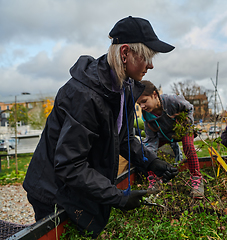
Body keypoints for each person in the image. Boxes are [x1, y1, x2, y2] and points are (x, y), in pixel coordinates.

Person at [23, 16, 179, 238]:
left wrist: (152, 162)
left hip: (75, 187)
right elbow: (70, 165)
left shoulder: (122, 88)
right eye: (146, 57)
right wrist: (118, 197)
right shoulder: (84, 95)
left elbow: (123, 137)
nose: (151, 65)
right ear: (125, 53)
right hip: (53, 190)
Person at [136, 80, 204, 199]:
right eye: (139, 104)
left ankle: (197, 180)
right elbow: (150, 139)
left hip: (182, 129)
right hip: (165, 136)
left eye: (144, 101)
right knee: (145, 151)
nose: (142, 106)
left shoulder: (172, 101)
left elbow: (189, 108)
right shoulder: (147, 116)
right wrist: (150, 154)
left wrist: (185, 122)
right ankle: (155, 180)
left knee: (188, 146)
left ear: (155, 95)